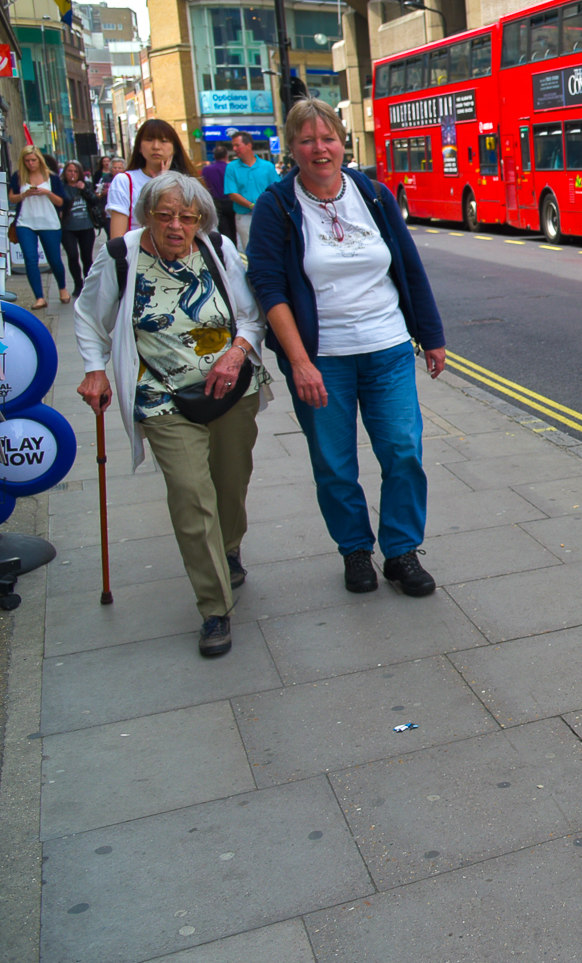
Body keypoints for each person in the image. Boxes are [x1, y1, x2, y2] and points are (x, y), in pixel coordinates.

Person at [246, 98, 447, 597]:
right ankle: (355, 550)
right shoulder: (278, 205)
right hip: (322, 359)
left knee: (403, 451)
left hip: (388, 348)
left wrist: (431, 335)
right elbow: (268, 287)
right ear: (292, 147)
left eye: (329, 138)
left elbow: (408, 266)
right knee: (334, 463)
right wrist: (299, 363)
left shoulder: (373, 195)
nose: (320, 148)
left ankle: (401, 551)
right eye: (308, 139)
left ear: (343, 143)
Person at [74, 173, 269, 658]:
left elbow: (251, 314)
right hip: (160, 396)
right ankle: (214, 607)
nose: (177, 226)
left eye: (187, 217)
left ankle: (228, 548)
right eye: (165, 216)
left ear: (201, 218)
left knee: (230, 483)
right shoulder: (122, 255)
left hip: (230, 388)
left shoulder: (218, 249)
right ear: (146, 216)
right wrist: (95, 370)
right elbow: (86, 314)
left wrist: (236, 353)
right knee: (189, 494)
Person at [108, 119, 200, 238]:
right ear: (139, 147)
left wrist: (165, 183)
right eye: (149, 140)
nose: (156, 147)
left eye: (164, 141)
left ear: (174, 148)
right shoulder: (124, 181)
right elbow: (117, 238)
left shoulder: (189, 182)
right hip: (138, 252)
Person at [7, 145, 71, 309]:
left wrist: (47, 193)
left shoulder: (52, 178)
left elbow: (61, 202)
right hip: (25, 222)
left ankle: (62, 288)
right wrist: (24, 194)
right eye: (27, 161)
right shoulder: (18, 176)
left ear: (39, 160)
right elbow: (12, 198)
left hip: (49, 222)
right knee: (30, 259)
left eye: (33, 160)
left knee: (54, 259)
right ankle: (39, 297)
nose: (30, 163)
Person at [224, 131, 278, 247]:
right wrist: (252, 206)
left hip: (267, 215)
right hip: (244, 217)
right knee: (250, 249)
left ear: (249, 145)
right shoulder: (231, 168)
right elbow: (232, 194)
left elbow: (277, 188)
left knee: (270, 247)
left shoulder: (267, 166)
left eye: (237, 145)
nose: (234, 148)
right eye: (233, 146)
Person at [59, 159, 102, 297]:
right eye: (69, 171)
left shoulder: (86, 184)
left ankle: (89, 285)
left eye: (75, 171)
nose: (72, 174)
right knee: (72, 256)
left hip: (86, 226)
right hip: (68, 227)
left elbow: (95, 201)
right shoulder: (61, 187)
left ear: (80, 173)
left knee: (87, 257)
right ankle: (78, 283)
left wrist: (84, 189)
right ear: (65, 172)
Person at [201, 143, 238, 244]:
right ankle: (233, 249)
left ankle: (225, 248)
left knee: (223, 230)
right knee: (233, 228)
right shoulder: (231, 168)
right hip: (232, 202)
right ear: (226, 156)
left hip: (217, 203)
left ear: (214, 156)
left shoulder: (207, 170)